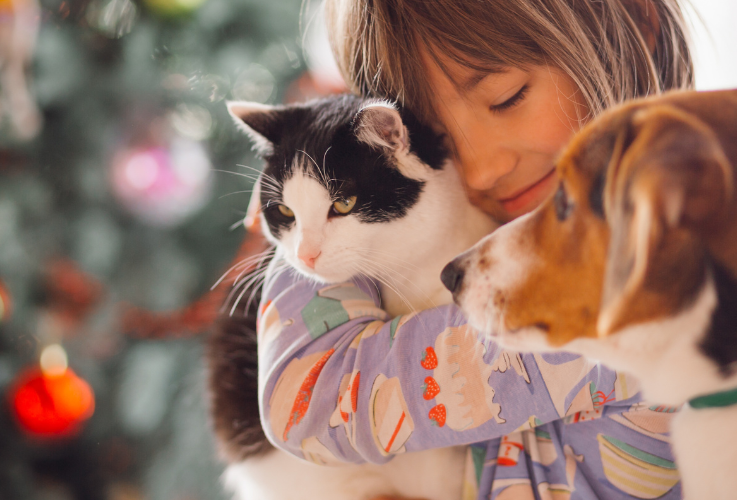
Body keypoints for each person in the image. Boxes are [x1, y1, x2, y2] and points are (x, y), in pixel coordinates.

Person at [255, 0, 695, 498]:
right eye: (434, 135)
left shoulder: (698, 267)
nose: (482, 169)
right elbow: (305, 399)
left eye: (506, 98)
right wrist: (307, 181)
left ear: (637, 18)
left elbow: (310, 402)